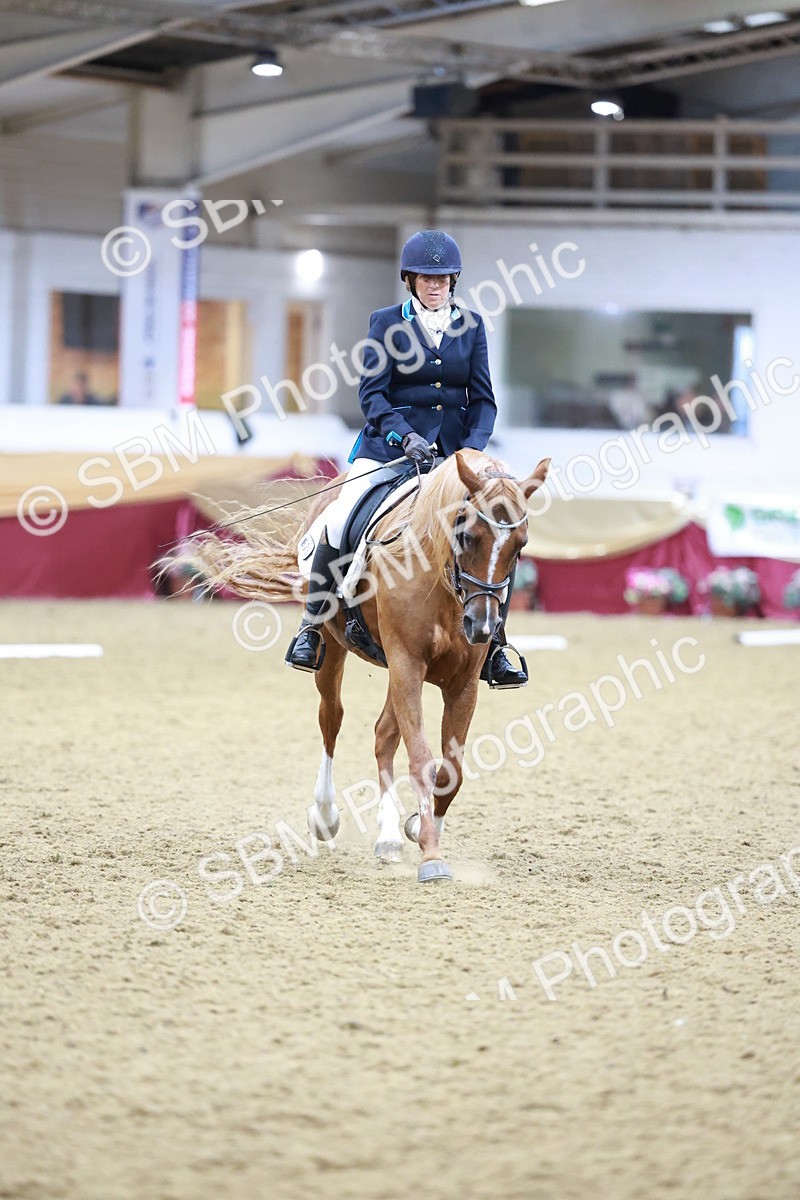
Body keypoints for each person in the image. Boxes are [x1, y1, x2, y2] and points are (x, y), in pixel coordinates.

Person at [285, 228, 528, 689]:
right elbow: (372, 395)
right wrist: (406, 437)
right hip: (390, 451)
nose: (434, 286)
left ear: (453, 280)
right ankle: (313, 627)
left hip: (456, 459)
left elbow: (484, 400)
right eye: (424, 278)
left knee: (499, 527)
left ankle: (495, 645)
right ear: (410, 279)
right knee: (337, 522)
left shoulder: (471, 327)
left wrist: (469, 450)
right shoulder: (385, 323)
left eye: (442, 278)